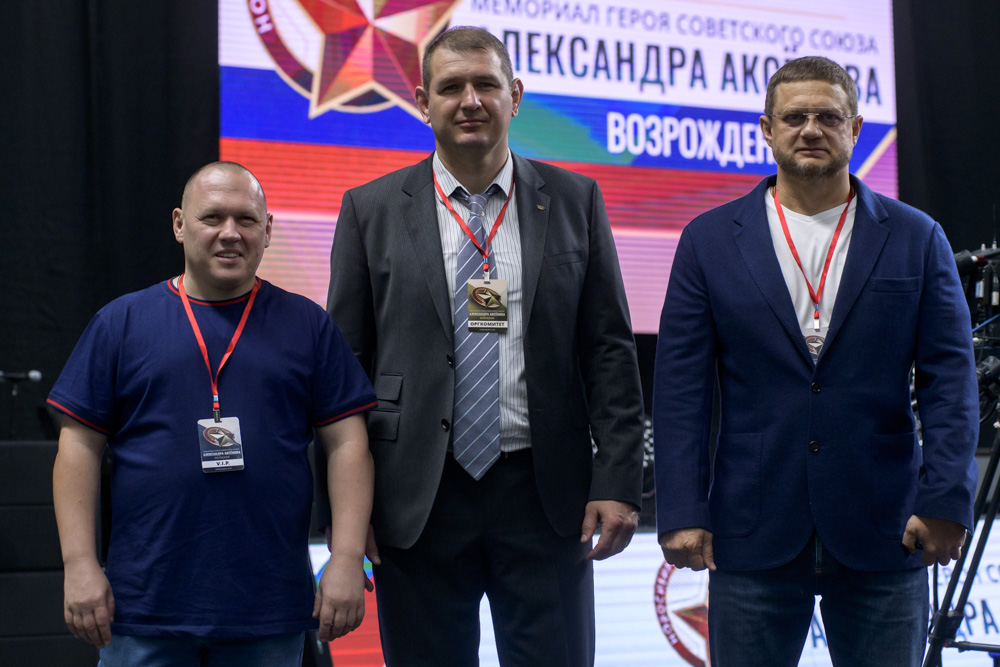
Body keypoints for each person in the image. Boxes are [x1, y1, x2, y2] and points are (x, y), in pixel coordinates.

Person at [325, 26, 644, 666]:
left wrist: (618, 480)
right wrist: (347, 517)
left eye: (486, 84)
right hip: (415, 498)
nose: (470, 100)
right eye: (450, 87)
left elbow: (608, 349)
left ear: (515, 96)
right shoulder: (370, 208)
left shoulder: (576, 199)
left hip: (545, 494)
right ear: (423, 102)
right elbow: (344, 371)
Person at [653, 55, 979, 666]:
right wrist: (680, 510)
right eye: (794, 117)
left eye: (828, 117)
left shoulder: (917, 236)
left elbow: (951, 383)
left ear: (855, 129)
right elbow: (680, 390)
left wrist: (944, 502)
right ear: (766, 129)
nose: (810, 129)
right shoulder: (708, 239)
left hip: (887, 529)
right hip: (751, 528)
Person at [49, 161, 377, 666]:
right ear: (179, 224)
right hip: (143, 607)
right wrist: (78, 563)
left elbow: (348, 443)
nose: (230, 233)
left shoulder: (308, 325)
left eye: (246, 219)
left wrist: (348, 558)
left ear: (268, 229)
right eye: (212, 217)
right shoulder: (121, 322)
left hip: (268, 608)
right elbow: (78, 447)